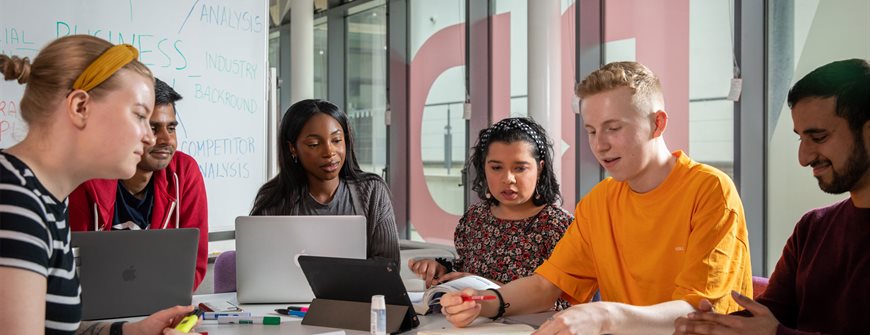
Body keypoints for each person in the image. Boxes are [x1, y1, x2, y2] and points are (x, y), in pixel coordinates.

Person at [440, 61, 752, 334]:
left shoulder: (710, 191)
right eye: (591, 131)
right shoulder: (599, 201)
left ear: (657, 123)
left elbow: (697, 312)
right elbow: (547, 285)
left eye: (613, 128)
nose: (600, 145)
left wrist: (604, 315)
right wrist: (484, 302)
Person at [0, 36, 198, 335]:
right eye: (140, 116)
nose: (150, 137)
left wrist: (134, 332)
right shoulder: (14, 201)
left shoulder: (43, 198)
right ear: (80, 107)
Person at [674, 59, 870, 335]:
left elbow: (772, 328)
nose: (804, 158)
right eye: (801, 138)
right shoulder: (812, 228)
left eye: (819, 137)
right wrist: (713, 325)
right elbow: (772, 314)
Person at [408, 117, 573, 309]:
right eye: (496, 168)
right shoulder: (475, 218)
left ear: (540, 168)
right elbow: (464, 268)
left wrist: (486, 292)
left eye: (520, 168)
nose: (508, 179)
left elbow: (561, 304)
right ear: (484, 168)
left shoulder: (558, 225)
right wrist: (440, 270)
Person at [67, 78, 209, 290]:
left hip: (160, 304)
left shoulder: (184, 173)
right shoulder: (86, 178)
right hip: (91, 311)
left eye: (171, 128)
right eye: (153, 128)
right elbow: (70, 267)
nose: (166, 140)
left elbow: (193, 267)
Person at [250, 99, 400, 262]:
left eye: (336, 140)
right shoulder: (273, 200)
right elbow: (262, 266)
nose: (329, 152)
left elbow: (389, 265)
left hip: (361, 289)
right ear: (292, 148)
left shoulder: (372, 191)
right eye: (314, 144)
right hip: (291, 288)